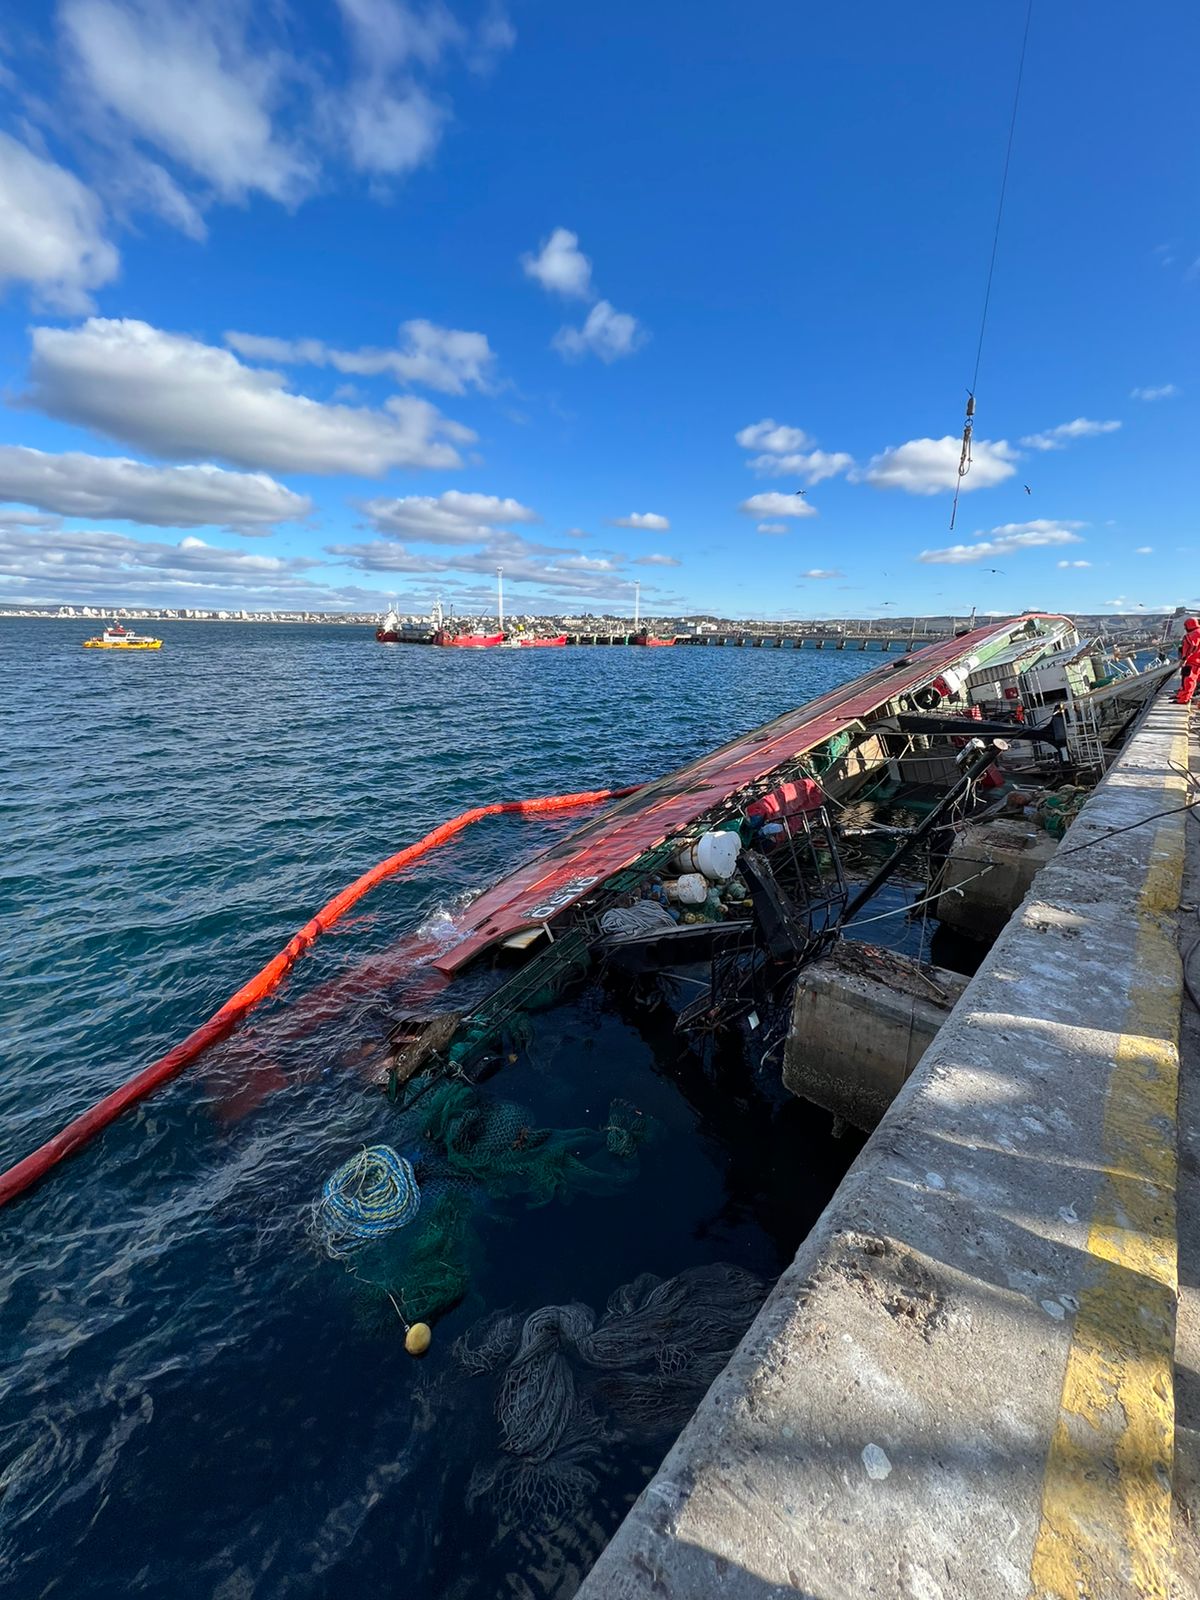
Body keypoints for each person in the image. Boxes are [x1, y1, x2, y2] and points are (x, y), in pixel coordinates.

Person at [1175, 618, 1200, 705]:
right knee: (1191, 680)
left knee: (1187, 680)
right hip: (1196, 661)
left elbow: (1191, 647)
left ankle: (1183, 699)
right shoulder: (1198, 632)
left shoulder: (1193, 634)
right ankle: (1182, 696)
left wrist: (1184, 659)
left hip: (1192, 661)